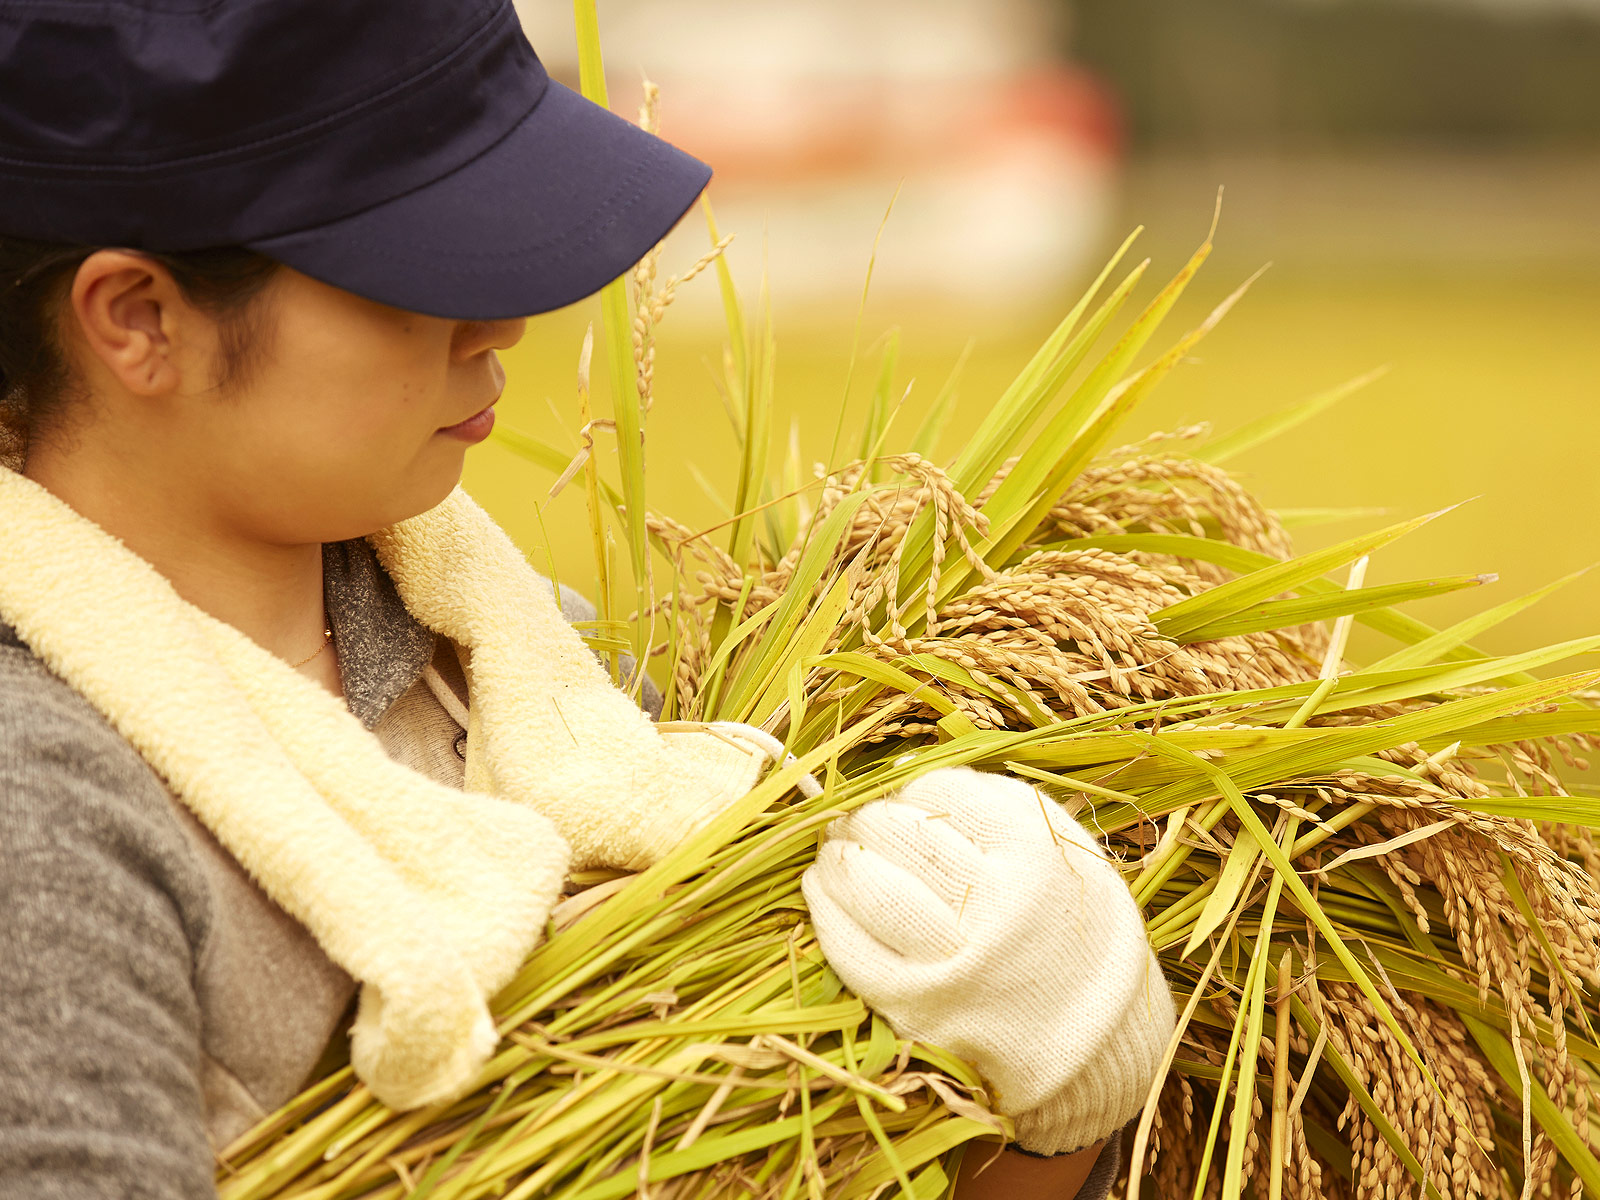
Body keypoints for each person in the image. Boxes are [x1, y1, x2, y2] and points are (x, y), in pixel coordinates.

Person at [0, 1, 1175, 1197]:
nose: (502, 323)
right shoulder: (43, 822)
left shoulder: (525, 672)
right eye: (416, 264)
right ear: (140, 319)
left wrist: (1046, 1093)